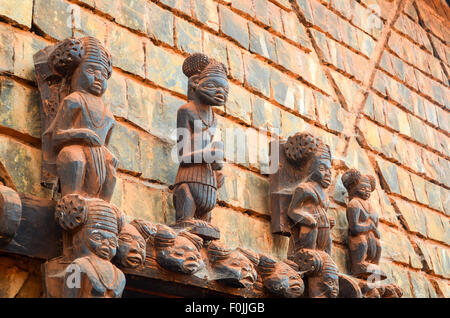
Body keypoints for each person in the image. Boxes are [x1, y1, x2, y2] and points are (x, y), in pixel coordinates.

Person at [44, 37, 117, 201]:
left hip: (97, 160)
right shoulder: (74, 100)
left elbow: (104, 145)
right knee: (72, 157)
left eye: (103, 75)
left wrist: (109, 157)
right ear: (75, 73)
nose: (98, 78)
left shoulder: (109, 115)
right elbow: (57, 136)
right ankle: (71, 196)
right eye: (91, 71)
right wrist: (82, 134)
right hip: (76, 151)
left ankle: (104, 203)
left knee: (111, 169)